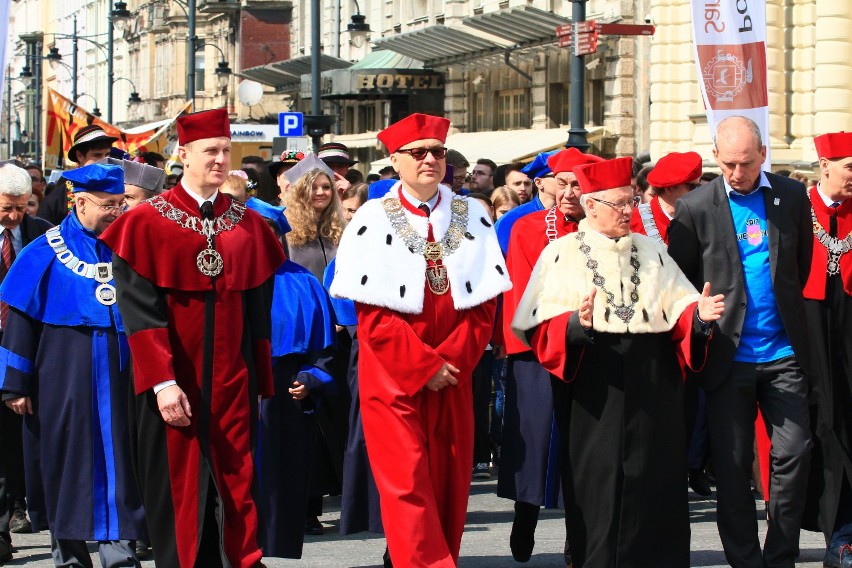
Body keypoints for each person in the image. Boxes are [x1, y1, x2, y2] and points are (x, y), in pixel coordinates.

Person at [512, 155, 724, 567]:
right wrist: (575, 324)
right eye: (618, 204)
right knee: (598, 483)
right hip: (594, 379)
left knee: (655, 481)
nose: (628, 211)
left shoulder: (651, 251)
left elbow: (677, 307)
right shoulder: (560, 253)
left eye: (630, 201)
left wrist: (698, 317)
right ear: (590, 205)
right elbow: (539, 325)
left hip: (654, 378)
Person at [100, 108, 285, 568]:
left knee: (237, 484)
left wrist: (260, 381)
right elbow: (140, 313)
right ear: (183, 155)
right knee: (175, 489)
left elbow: (258, 314)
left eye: (226, 151)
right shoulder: (144, 223)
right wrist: (162, 382)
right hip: (171, 382)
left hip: (231, 382)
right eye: (210, 152)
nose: (220, 160)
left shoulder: (249, 225)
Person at [330, 113, 511, 567]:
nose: (430, 160)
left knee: (449, 480)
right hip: (393, 376)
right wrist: (423, 366)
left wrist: (450, 363)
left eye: (438, 152)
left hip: (453, 371)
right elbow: (371, 314)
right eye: (419, 153)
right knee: (406, 481)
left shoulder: (474, 214)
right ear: (396, 160)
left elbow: (485, 304)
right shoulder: (371, 217)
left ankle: (437, 556)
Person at [667, 115, 813, 568]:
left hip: (784, 351)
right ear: (716, 156)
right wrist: (698, 314)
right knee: (731, 466)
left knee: (795, 452)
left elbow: (803, 262)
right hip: (728, 356)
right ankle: (745, 559)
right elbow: (680, 281)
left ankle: (781, 554)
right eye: (728, 163)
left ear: (763, 155)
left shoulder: (791, 196)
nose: (736, 172)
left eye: (745, 163)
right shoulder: (695, 207)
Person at [0, 163, 145, 568]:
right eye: (106, 205)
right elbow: (21, 323)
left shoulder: (132, 245)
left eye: (120, 203)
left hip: (122, 376)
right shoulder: (43, 251)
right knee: (65, 461)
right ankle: (70, 557)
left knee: (122, 461)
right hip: (62, 377)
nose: (116, 212)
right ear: (79, 202)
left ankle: (120, 554)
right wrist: (15, 384)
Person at [498, 147, 601, 564]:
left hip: (593, 348)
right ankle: (526, 516)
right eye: (562, 182)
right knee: (536, 439)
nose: (569, 192)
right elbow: (522, 293)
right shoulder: (524, 227)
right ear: (550, 183)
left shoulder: (608, 226)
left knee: (583, 446)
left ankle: (579, 538)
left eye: (578, 184)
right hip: (535, 348)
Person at [800, 131, 852, 568]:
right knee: (822, 424)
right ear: (825, 167)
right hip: (809, 330)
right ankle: (835, 531)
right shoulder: (798, 208)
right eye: (850, 166)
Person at [0, 160, 52, 560]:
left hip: (25, 358)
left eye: (23, 206)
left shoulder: (41, 237)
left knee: (17, 446)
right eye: (7, 208)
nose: (16, 216)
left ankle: (19, 507)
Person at [38, 125, 119, 225]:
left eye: (107, 155)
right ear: (80, 156)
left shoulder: (119, 192)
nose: (105, 161)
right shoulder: (56, 200)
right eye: (97, 155)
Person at [282, 154, 345, 281]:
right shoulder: (285, 229)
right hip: (302, 298)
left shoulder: (342, 227)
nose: (321, 192)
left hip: (336, 299)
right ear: (300, 192)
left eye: (326, 187)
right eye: (313, 187)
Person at [630, 151, 701, 245]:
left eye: (698, 186)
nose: (697, 192)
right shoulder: (634, 221)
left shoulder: (701, 220)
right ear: (669, 188)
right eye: (692, 187)